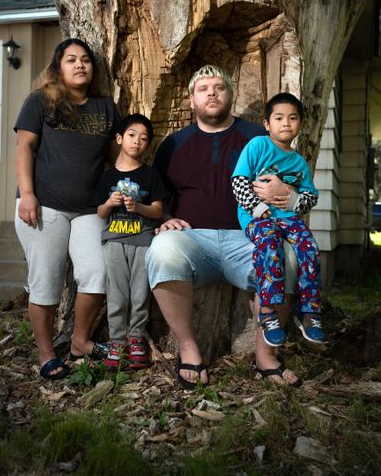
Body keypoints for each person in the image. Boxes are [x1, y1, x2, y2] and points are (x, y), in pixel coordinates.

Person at [145, 65, 300, 388]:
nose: (211, 93)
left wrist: (286, 194)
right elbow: (158, 195)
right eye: (203, 88)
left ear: (231, 94)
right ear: (191, 100)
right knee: (161, 249)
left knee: (287, 257)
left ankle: (266, 356)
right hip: (193, 240)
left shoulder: (258, 140)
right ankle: (189, 350)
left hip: (248, 238)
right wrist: (164, 217)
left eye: (219, 87)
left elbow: (287, 181)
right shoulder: (174, 145)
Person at [14, 38, 121, 380]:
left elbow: (116, 158)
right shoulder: (41, 101)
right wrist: (27, 194)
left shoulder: (106, 107)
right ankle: (46, 354)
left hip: (91, 208)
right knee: (45, 282)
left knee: (98, 273)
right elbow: (24, 148)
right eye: (71, 59)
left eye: (86, 60)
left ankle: (79, 341)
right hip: (44, 206)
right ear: (58, 68)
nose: (79, 65)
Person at [231, 92, 325, 348]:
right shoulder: (258, 146)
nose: (286, 123)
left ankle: (309, 311)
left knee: (310, 248)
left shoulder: (299, 162)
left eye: (292, 118)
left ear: (300, 125)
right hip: (257, 217)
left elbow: (310, 196)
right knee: (271, 244)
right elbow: (238, 183)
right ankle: (268, 311)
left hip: (289, 218)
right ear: (267, 124)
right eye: (279, 118)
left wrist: (293, 199)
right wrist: (257, 207)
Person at [95, 114, 168, 370]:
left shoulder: (151, 176)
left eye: (144, 138)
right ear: (119, 138)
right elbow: (100, 213)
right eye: (131, 135)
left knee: (139, 292)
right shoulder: (107, 177)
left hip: (142, 242)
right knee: (116, 293)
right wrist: (109, 203)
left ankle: (136, 339)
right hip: (114, 241)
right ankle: (116, 342)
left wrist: (138, 206)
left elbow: (158, 211)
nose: (137, 142)